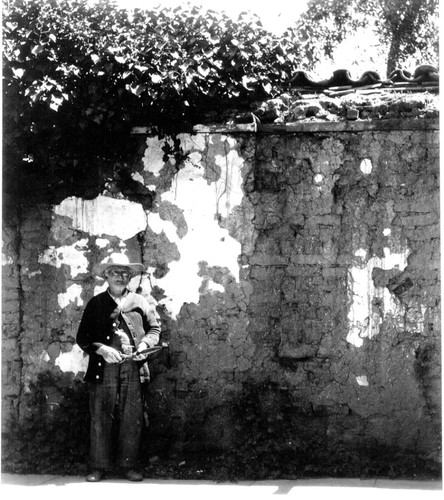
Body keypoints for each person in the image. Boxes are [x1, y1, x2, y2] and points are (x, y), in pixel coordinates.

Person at [76, 253, 161, 482]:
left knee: (132, 416)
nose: (121, 276)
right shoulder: (96, 303)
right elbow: (82, 337)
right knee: (100, 415)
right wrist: (102, 349)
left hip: (133, 366)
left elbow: (154, 329)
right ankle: (98, 466)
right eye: (115, 272)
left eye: (125, 273)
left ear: (131, 277)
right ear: (106, 275)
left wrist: (144, 344)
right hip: (104, 367)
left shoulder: (140, 302)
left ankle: (129, 466)